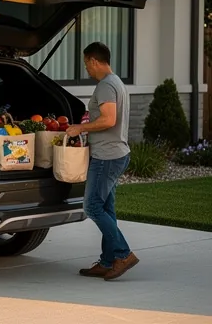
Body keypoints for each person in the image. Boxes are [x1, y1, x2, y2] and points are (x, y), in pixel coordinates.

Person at [65, 42, 139, 281]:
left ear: (94, 61)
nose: (86, 69)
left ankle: (123, 254)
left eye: (87, 64)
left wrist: (80, 128)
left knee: (93, 207)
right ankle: (108, 262)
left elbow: (108, 120)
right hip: (115, 153)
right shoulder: (116, 82)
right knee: (106, 208)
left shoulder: (106, 86)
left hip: (107, 156)